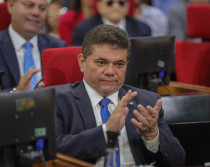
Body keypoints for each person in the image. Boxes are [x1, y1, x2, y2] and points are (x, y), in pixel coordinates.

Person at [55, 24, 186, 167]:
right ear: (82, 62)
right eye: (101, 62)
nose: (111, 71)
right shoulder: (59, 101)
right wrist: (106, 132)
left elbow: (178, 160)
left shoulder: (147, 102)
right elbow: (51, 152)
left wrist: (153, 136)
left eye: (119, 64)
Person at [0, 0, 67, 92]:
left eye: (42, 8)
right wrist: (16, 92)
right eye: (29, 5)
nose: (36, 13)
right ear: (11, 6)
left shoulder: (58, 47)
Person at [71, 0, 151, 46]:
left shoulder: (143, 29)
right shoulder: (83, 30)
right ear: (99, 6)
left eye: (121, 3)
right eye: (110, 3)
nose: (116, 7)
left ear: (128, 6)